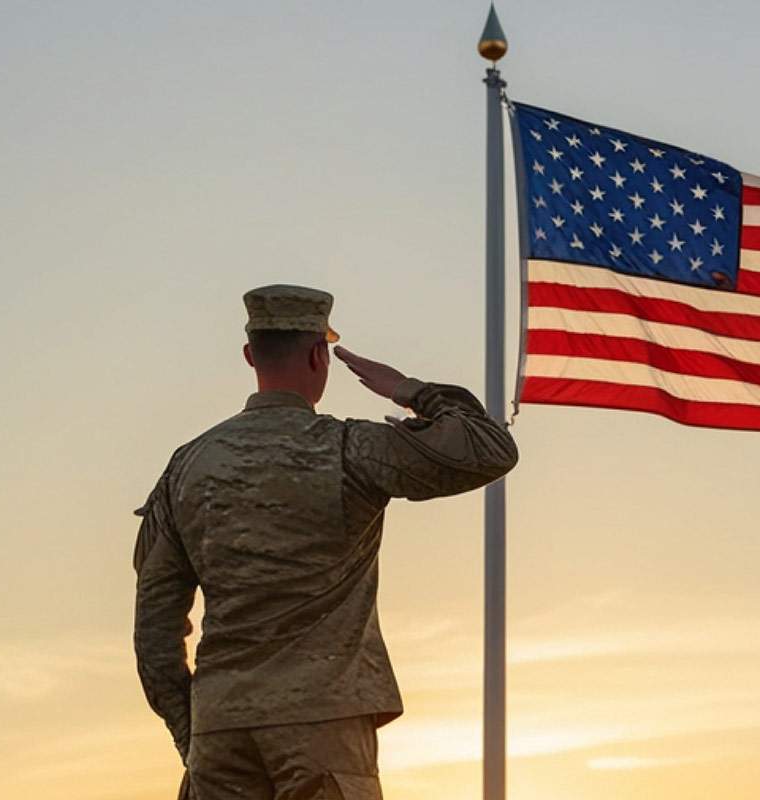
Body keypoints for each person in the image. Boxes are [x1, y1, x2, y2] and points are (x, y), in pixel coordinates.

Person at [132, 284, 518, 799]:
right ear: (320, 354)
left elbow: (154, 634)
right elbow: (489, 449)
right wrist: (409, 390)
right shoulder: (347, 448)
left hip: (220, 730)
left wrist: (196, 735)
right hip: (324, 726)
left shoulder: (187, 466)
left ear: (251, 355)